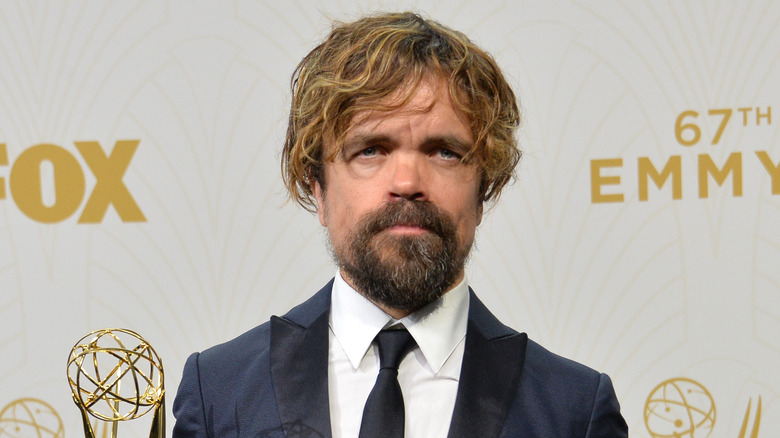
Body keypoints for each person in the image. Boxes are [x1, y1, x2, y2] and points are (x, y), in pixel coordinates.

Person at [172, 11, 628, 438]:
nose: (408, 182)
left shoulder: (573, 410)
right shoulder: (218, 393)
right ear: (318, 187)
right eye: (370, 149)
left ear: (483, 189)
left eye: (444, 152)